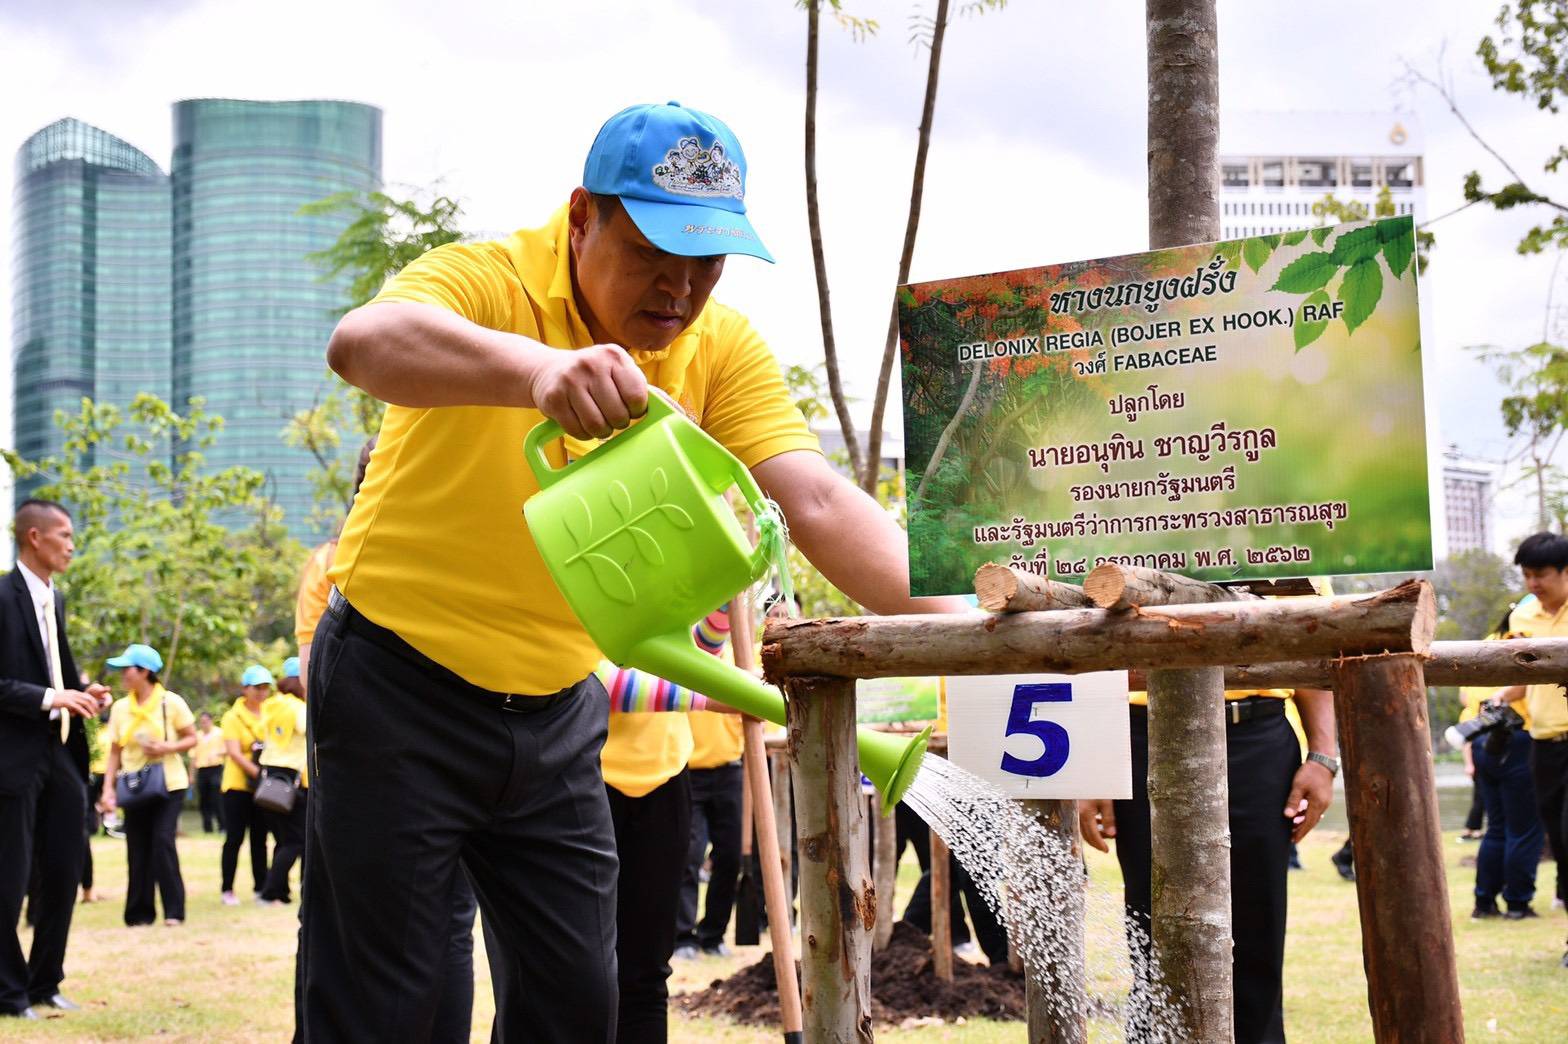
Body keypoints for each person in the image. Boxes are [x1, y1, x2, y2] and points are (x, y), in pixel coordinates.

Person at [305, 100, 964, 1042]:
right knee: (398, 1008)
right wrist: (536, 370)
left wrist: (980, 623)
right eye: (655, 250)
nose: (681, 286)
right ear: (582, 218)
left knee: (583, 1004)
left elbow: (815, 502)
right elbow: (361, 342)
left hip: (556, 707)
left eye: (708, 260)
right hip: (395, 691)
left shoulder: (719, 346)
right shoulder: (489, 282)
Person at [1081, 674, 1339, 1043]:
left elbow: (1311, 651)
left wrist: (1322, 756)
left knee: (1258, 927)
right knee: (1153, 923)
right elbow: (1092, 658)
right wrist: (1091, 765)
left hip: (1257, 733)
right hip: (1142, 733)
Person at [1, 500, 106, 1018]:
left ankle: (46, 982)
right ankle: (8, 993)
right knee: (10, 876)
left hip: (62, 750)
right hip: (13, 758)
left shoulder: (54, 600)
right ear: (34, 537)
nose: (71, 544)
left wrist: (84, 690)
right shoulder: (0, 596)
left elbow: (56, 672)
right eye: (63, 535)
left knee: (64, 868)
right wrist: (50, 697)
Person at [1489, 532, 1568, 965]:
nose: (1533, 583)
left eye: (1541, 574)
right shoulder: (1523, 613)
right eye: (1527, 575)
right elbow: (1521, 675)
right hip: (1543, 744)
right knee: (1559, 841)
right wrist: (1499, 698)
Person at [98, 643, 197, 927]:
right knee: (137, 847)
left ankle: (174, 912)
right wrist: (108, 789)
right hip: (133, 785)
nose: (122, 675)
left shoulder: (171, 702)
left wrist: (166, 747)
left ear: (145, 672)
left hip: (169, 783)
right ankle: (139, 914)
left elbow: (192, 738)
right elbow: (114, 752)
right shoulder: (120, 708)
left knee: (162, 842)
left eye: (126, 669)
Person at [674, 611, 746, 962]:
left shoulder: (737, 658)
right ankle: (682, 935)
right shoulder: (683, 654)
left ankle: (713, 934)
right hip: (689, 771)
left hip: (729, 770)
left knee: (730, 856)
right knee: (689, 854)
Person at [256, 664, 308, 905]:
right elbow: (312, 732)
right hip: (291, 780)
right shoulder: (299, 709)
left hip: (268, 778)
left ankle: (281, 893)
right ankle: (270, 891)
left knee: (283, 839)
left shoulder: (270, 706)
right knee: (296, 841)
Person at [219, 666, 271, 905]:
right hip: (238, 786)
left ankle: (261, 887)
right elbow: (233, 752)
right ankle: (227, 888)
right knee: (234, 838)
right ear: (245, 689)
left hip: (263, 786)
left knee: (260, 839)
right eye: (257, 688)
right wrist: (259, 773)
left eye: (265, 687)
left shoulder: (272, 712)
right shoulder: (232, 716)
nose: (261, 693)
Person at [191, 711, 226, 834]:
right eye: (201, 722)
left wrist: (217, 753)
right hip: (202, 770)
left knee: (217, 798)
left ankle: (222, 826)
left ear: (211, 721)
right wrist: (191, 775)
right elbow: (193, 757)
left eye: (205, 722)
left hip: (216, 768)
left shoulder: (219, 733)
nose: (203, 724)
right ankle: (207, 827)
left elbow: (228, 749)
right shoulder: (197, 736)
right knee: (204, 800)